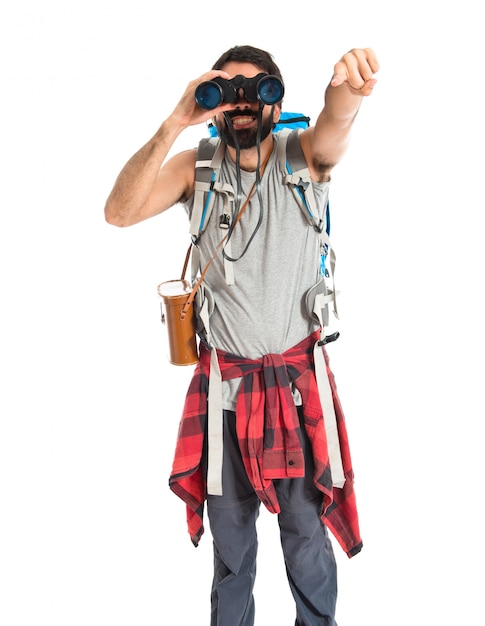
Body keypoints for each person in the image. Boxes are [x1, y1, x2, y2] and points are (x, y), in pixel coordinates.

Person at [104, 45, 379, 626]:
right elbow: (119, 212)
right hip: (225, 392)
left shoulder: (304, 157)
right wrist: (176, 121)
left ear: (277, 101)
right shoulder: (195, 167)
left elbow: (336, 125)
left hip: (298, 391)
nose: (245, 103)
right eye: (229, 92)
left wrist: (347, 92)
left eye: (259, 90)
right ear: (214, 103)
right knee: (232, 551)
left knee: (306, 539)